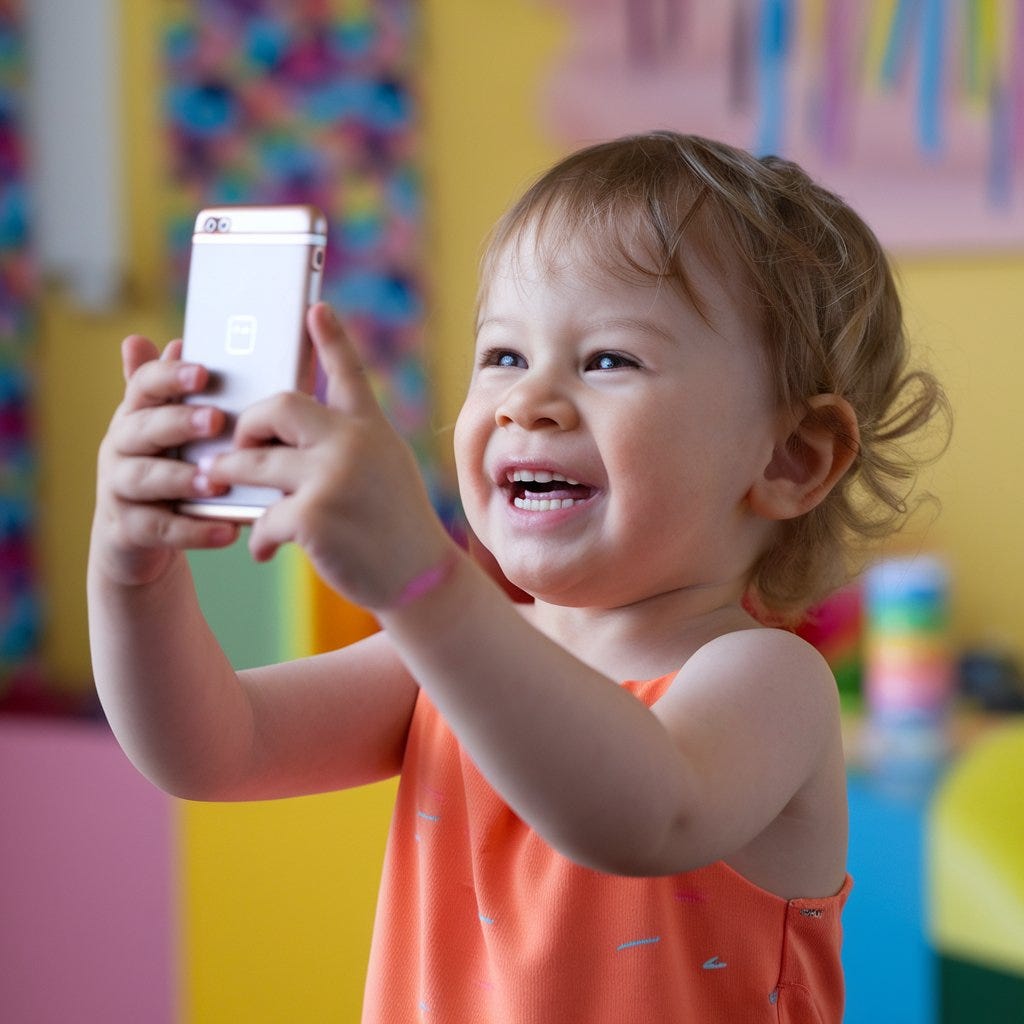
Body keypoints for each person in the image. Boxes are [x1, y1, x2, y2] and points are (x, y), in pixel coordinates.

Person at [88, 131, 947, 1022]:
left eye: (608, 359)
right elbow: (210, 749)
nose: (524, 402)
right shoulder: (438, 659)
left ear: (791, 459)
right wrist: (132, 574)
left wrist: (420, 579)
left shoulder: (765, 682)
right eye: (503, 355)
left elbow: (639, 818)